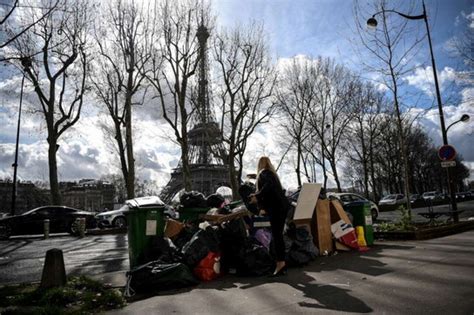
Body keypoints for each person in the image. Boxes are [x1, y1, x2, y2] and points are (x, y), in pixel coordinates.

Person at [249, 156, 289, 276]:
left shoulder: (263, 173)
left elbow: (268, 187)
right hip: (282, 207)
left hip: (276, 208)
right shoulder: (272, 174)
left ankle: (280, 264)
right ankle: (281, 263)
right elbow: (272, 190)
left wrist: (257, 195)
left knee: (277, 236)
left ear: (260, 165)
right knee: (278, 236)